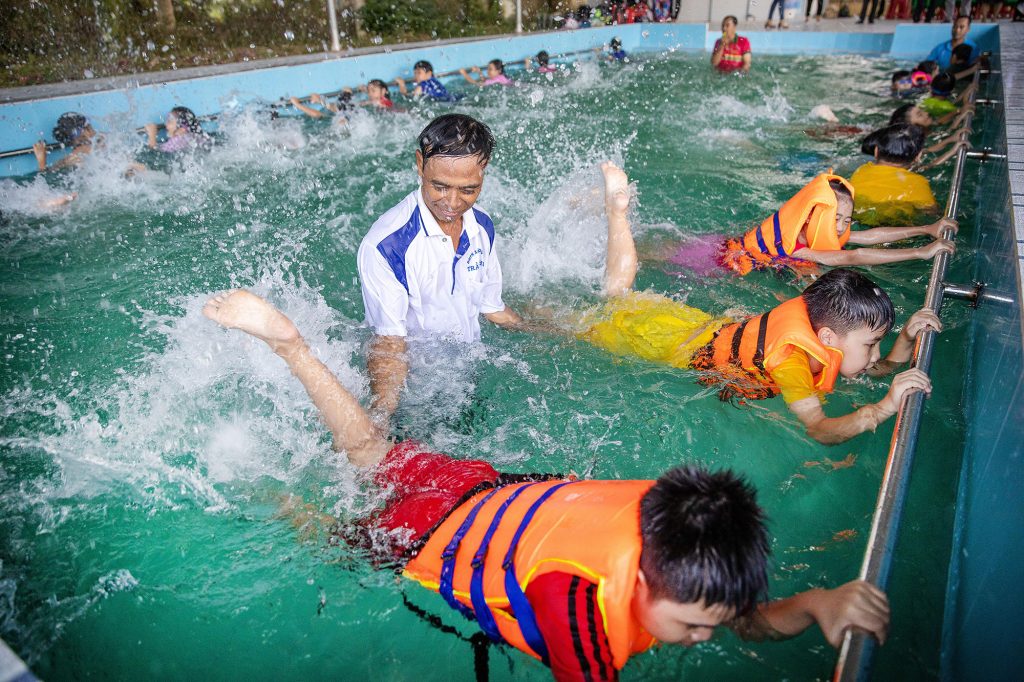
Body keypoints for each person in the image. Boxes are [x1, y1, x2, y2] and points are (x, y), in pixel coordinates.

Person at [201, 287, 892, 681]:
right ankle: (275, 499)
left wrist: (816, 604)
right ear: (644, 586)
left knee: (369, 449)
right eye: (690, 626)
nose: (701, 638)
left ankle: (291, 344)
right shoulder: (578, 609)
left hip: (484, 490)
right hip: (427, 537)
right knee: (328, 537)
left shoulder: (678, 524)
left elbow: (732, 613)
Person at [573, 164, 939, 446]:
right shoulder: (792, 362)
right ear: (827, 336)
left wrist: (907, 336)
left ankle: (616, 214)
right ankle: (613, 217)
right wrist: (882, 409)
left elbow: (875, 370)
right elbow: (818, 429)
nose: (875, 356)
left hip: (703, 328)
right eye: (872, 344)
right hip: (671, 344)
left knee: (620, 296)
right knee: (594, 311)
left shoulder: (827, 334)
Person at [356, 114, 524, 426]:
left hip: (468, 375)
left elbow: (493, 308)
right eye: (439, 186)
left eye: (468, 189)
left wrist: (550, 332)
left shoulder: (482, 225)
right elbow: (389, 345)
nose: (453, 202)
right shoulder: (387, 246)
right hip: (413, 392)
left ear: (483, 172)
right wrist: (379, 419)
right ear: (420, 164)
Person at [714, 173, 956, 274]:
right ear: (812, 216)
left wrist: (927, 229)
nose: (841, 227)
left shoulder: (819, 230)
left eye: (847, 220)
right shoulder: (798, 247)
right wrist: (920, 252)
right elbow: (853, 256)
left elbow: (870, 235)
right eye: (835, 219)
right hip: (721, 262)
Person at [849, 123, 938, 225]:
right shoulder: (918, 183)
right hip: (891, 227)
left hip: (855, 219)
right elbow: (932, 213)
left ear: (876, 151)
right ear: (918, 156)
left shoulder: (861, 170)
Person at [290, 80, 394, 119]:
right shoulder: (381, 102)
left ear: (384, 91)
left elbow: (348, 107)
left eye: (373, 91)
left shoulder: (379, 102)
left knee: (324, 116)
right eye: (369, 91)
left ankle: (316, 101)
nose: (370, 94)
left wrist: (348, 94)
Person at [32, 112, 96, 172]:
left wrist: (41, 161)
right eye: (89, 125)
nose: (92, 128)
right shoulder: (101, 141)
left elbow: (45, 178)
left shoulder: (71, 158)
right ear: (87, 130)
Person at [144, 107, 209, 153]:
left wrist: (152, 134)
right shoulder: (195, 137)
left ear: (182, 129)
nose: (166, 124)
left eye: (170, 121)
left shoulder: (177, 140)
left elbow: (156, 150)